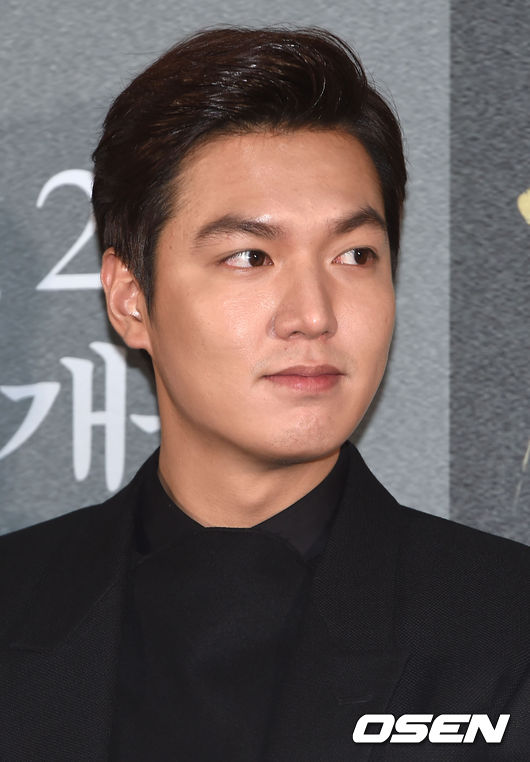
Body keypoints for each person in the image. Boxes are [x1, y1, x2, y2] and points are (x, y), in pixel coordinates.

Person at [0, 26, 529, 762]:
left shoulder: (508, 626)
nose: (313, 315)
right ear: (130, 299)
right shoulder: (17, 599)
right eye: (250, 256)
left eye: (355, 255)